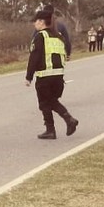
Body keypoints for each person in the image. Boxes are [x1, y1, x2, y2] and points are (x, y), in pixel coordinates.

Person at [25, 9, 79, 140]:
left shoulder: (40, 36)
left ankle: (58, 125)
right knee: (51, 101)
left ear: (42, 22)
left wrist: (29, 77)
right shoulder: (59, 36)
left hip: (45, 76)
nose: (34, 24)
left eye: (36, 21)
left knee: (44, 103)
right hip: (58, 76)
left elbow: (34, 57)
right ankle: (59, 125)